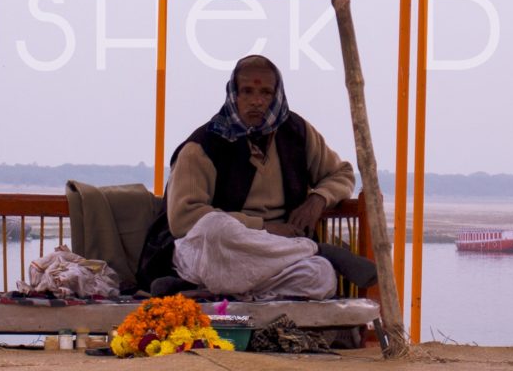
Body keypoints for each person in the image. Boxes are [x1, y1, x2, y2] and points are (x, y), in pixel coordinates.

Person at [137, 55, 376, 300]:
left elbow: (342, 173)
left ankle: (220, 294)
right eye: (247, 92)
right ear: (234, 94)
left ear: (277, 95)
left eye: (265, 93)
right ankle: (313, 249)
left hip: (272, 257)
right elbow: (183, 220)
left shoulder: (297, 133)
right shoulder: (203, 145)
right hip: (213, 252)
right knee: (217, 228)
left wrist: (319, 199)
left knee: (320, 276)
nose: (256, 101)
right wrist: (263, 228)